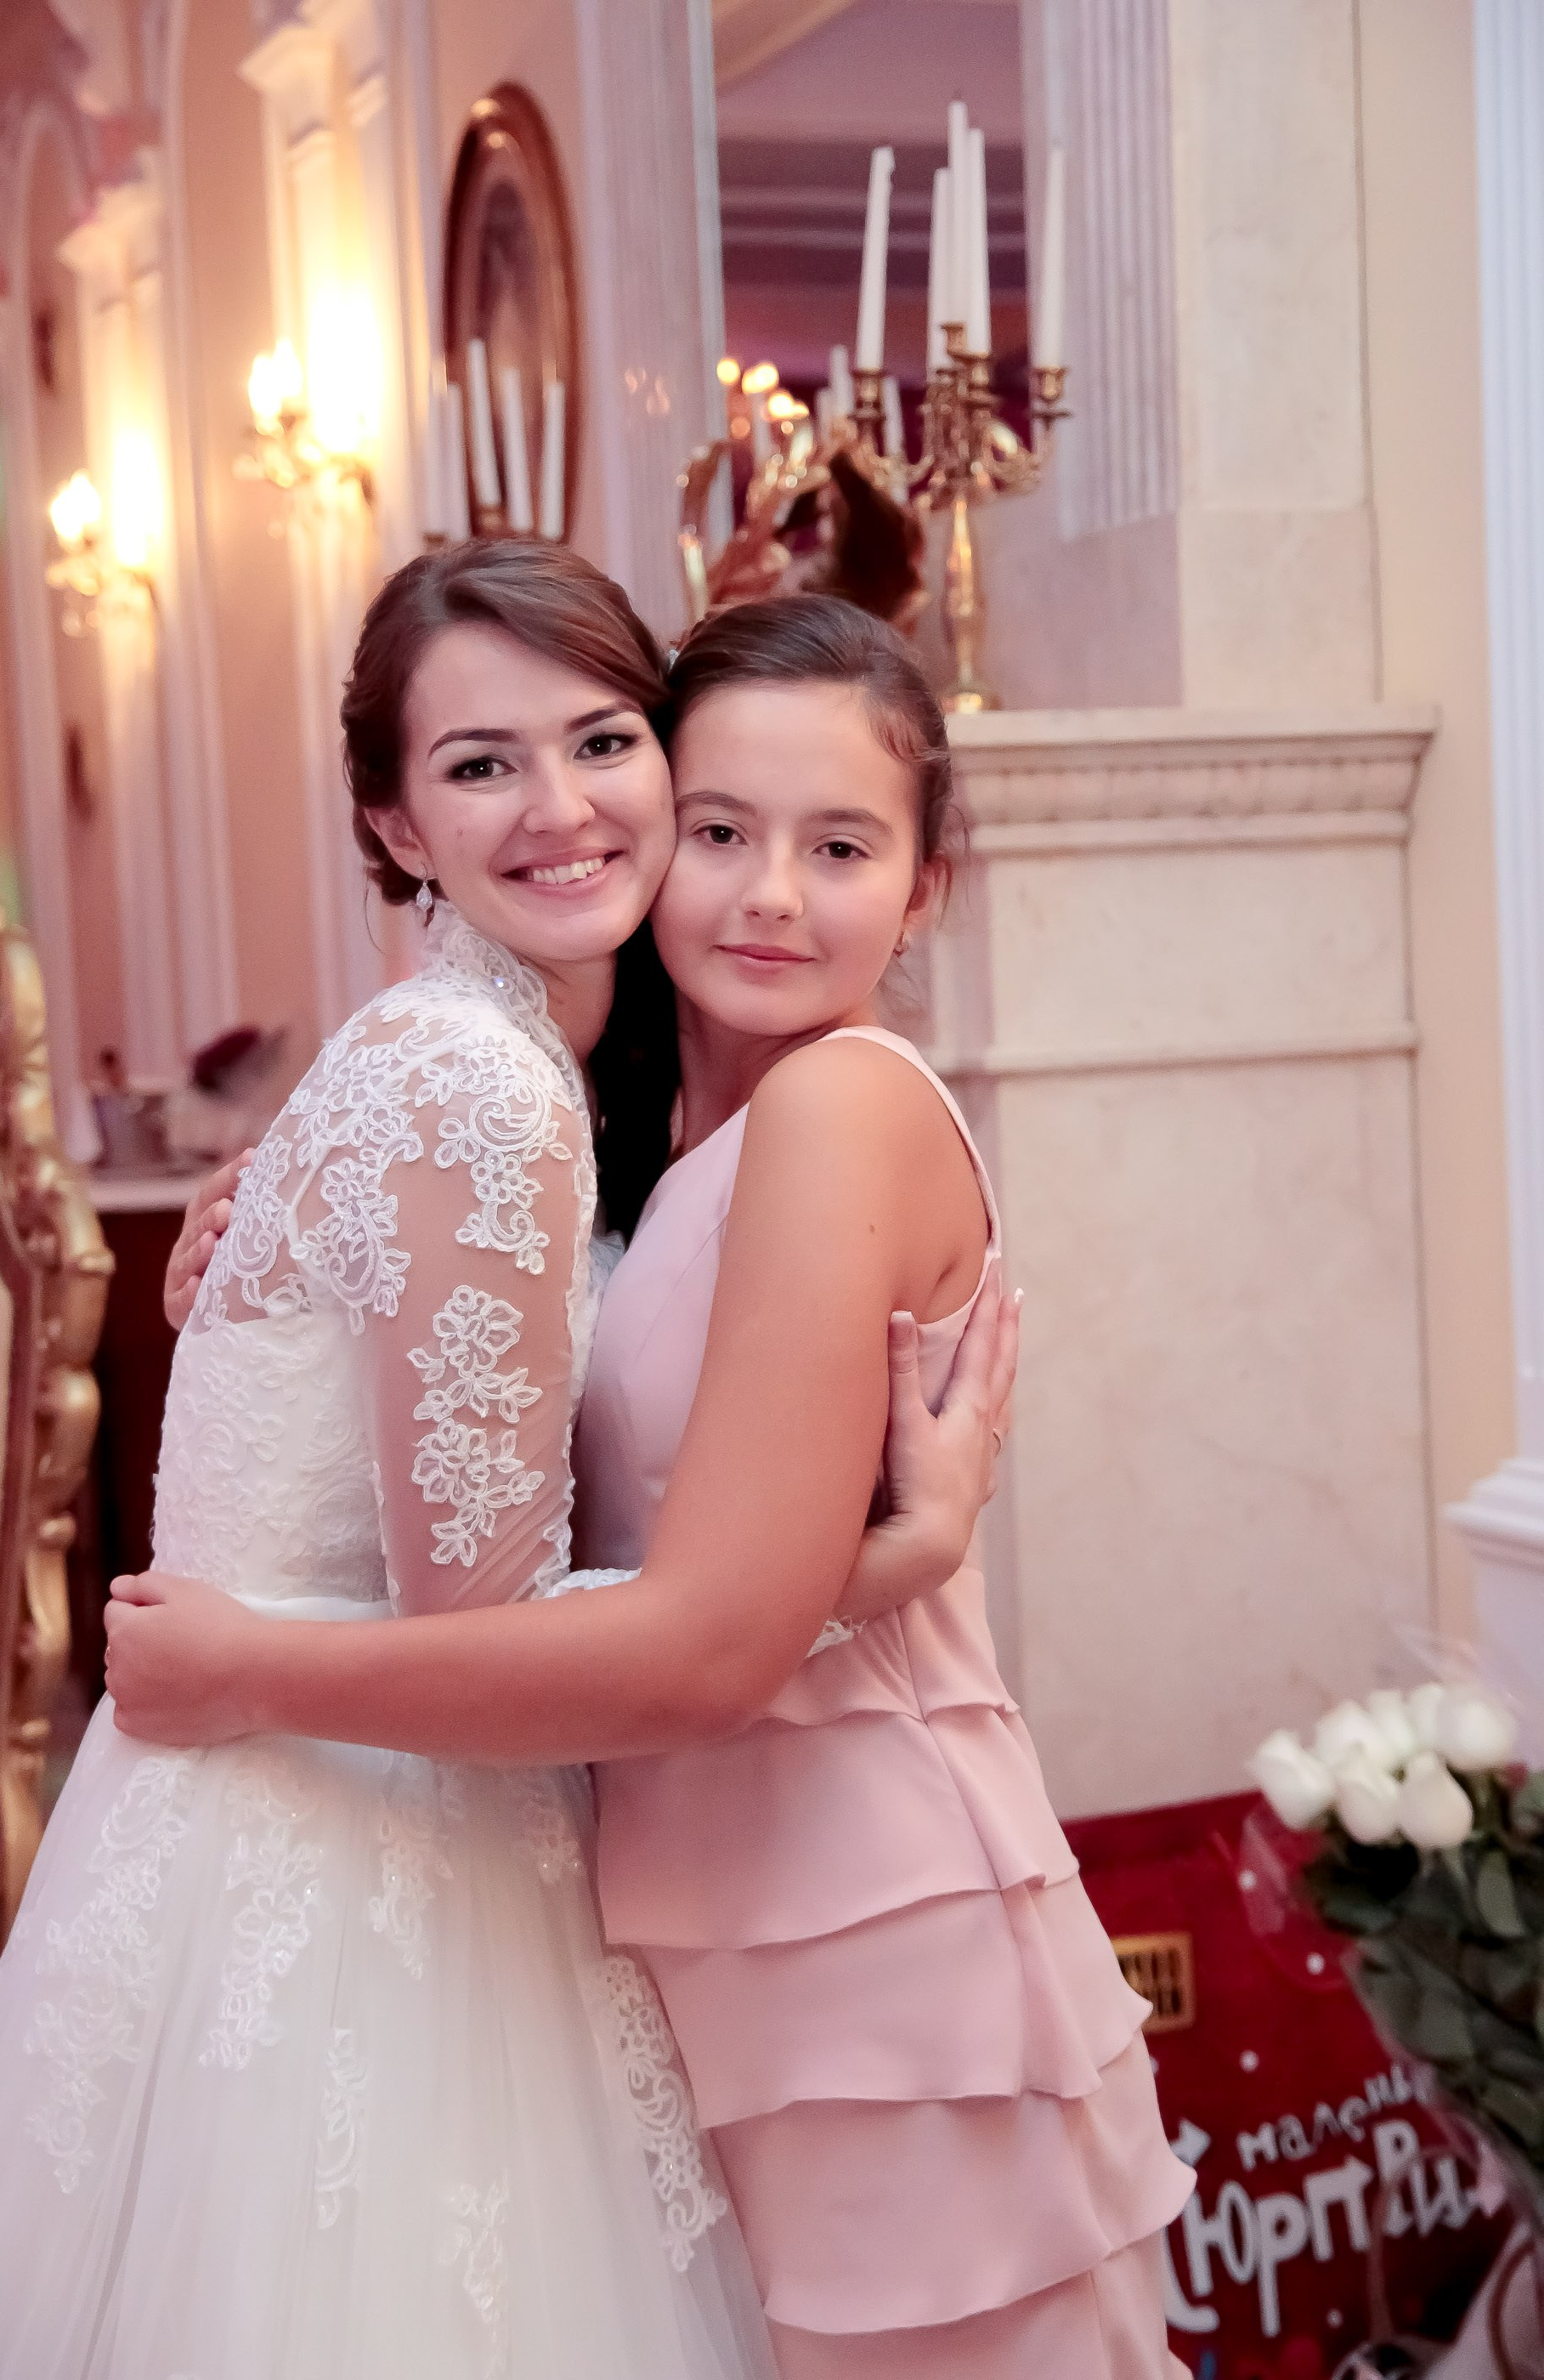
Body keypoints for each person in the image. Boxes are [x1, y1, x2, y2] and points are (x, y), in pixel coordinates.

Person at [113, 589, 1191, 2377]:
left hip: (863, 1923)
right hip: (695, 1911)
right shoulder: (635, 1125)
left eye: (839, 846)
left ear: (924, 886)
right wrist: (294, 1272)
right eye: (721, 829)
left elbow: (707, 1636)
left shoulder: (841, 1103)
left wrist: (253, 1671)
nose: (770, 894)